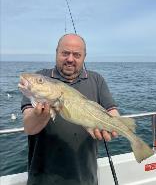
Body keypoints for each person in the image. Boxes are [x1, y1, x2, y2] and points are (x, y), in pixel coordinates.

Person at [21, 33, 119, 185]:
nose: (70, 59)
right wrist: (41, 113)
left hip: (85, 178)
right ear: (57, 52)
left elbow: (112, 111)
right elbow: (29, 127)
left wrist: (115, 126)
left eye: (77, 55)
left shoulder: (96, 79)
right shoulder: (41, 78)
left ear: (84, 57)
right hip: (43, 179)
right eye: (65, 53)